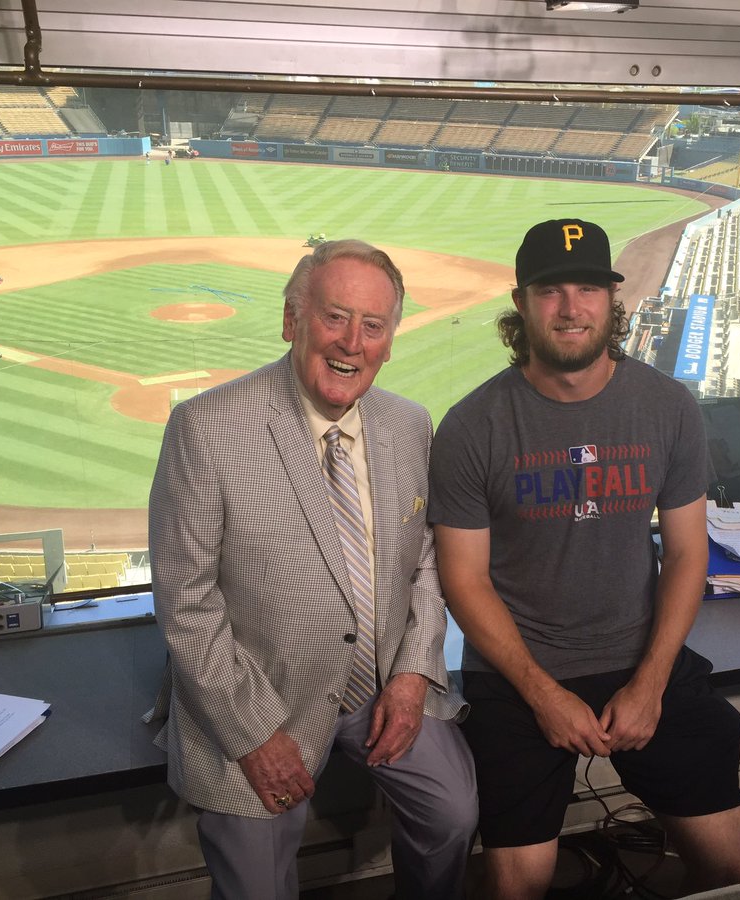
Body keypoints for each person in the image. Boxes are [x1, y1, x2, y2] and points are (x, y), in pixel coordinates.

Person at [428, 219, 740, 899]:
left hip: (641, 662)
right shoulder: (471, 426)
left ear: (612, 302)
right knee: (517, 887)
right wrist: (544, 695)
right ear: (521, 304)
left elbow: (688, 553)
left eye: (588, 289)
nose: (571, 308)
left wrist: (651, 683)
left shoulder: (667, 407)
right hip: (520, 674)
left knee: (734, 870)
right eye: (551, 291)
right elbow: (463, 580)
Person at [147, 239, 477, 900]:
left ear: (390, 341)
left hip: (381, 688)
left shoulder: (410, 424)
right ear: (292, 321)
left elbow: (428, 561)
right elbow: (186, 601)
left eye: (373, 326)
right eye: (334, 317)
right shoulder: (205, 427)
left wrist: (412, 677)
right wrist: (252, 736)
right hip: (261, 698)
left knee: (453, 812)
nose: (351, 343)